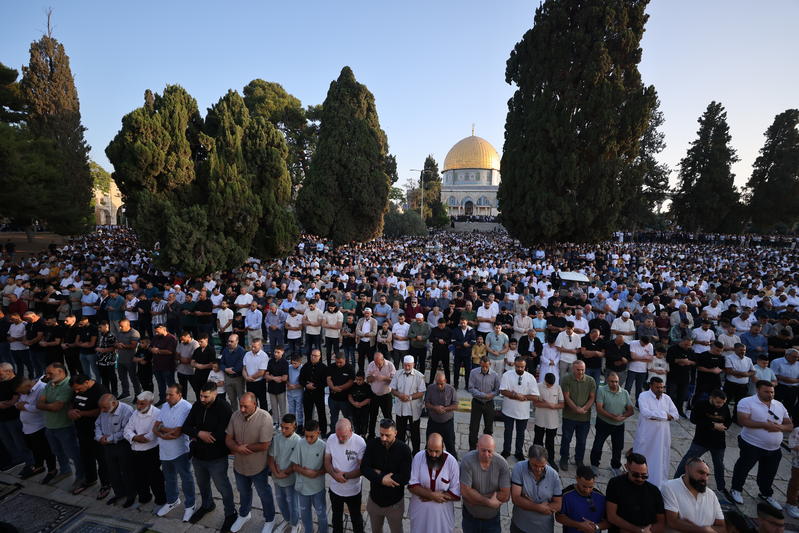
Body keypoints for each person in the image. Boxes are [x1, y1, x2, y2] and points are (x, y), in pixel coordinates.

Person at [730, 380, 793, 509]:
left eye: (772, 392)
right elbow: (743, 420)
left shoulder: (779, 405)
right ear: (758, 390)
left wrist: (779, 427)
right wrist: (764, 425)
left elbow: (790, 425)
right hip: (751, 444)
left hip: (774, 448)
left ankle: (766, 494)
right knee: (743, 467)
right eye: (766, 391)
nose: (770, 394)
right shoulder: (746, 402)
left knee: (769, 473)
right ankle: (736, 489)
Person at [181, 381, 235, 528]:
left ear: (215, 394)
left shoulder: (224, 407)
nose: (202, 399)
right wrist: (199, 433)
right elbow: (186, 427)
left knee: (223, 487)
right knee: (202, 484)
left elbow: (223, 433)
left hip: (217, 457)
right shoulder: (197, 405)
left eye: (206, 396)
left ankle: (230, 513)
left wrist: (200, 435)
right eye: (200, 396)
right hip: (198, 455)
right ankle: (207, 504)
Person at [225, 392, 276, 533]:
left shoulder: (265, 418)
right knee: (243, 492)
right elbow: (228, 438)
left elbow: (265, 445)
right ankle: (244, 514)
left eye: (245, 406)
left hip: (258, 467)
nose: (242, 409)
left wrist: (243, 447)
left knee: (264, 494)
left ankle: (270, 519)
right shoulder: (235, 415)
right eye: (240, 406)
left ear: (254, 404)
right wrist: (236, 447)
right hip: (240, 466)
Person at [673, 389, 732, 494]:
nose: (720, 405)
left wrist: (724, 426)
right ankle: (675, 481)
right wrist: (713, 425)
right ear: (711, 398)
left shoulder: (724, 406)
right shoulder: (701, 404)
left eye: (723, 403)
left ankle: (721, 488)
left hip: (718, 442)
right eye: (718, 402)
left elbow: (728, 420)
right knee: (688, 460)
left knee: (719, 465)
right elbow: (694, 419)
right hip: (701, 440)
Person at [362, 418, 413, 533]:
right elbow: (364, 468)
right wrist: (381, 479)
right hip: (374, 501)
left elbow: (405, 477)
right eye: (381, 434)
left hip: (394, 505)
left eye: (387, 435)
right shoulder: (373, 445)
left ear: (395, 433)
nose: (383, 438)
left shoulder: (404, 450)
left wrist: (381, 474)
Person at [153, 384, 195, 521]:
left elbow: (177, 432)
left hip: (180, 450)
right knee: (169, 477)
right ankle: (172, 500)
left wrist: (162, 430)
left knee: (186, 478)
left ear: (180, 395)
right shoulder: (165, 406)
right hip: (164, 449)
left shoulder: (187, 407)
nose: (167, 397)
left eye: (171, 395)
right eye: (166, 394)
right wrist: (165, 432)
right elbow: (155, 427)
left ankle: (190, 505)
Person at [408, 433, 461, 533]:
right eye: (430, 450)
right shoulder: (419, 457)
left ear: (443, 447)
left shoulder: (452, 462)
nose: (433, 455)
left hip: (442, 516)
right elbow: (412, 486)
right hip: (420, 514)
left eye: (437, 451)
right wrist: (432, 495)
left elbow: (456, 494)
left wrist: (431, 496)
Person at [632, 376, 678, 488]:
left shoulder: (666, 398)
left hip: (662, 437)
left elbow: (675, 415)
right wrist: (665, 415)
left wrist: (656, 415)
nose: (660, 390)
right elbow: (646, 412)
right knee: (643, 457)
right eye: (658, 387)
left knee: (660, 460)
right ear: (651, 386)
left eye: (662, 387)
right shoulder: (643, 396)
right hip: (647, 435)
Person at [122, 391, 166, 509]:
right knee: (139, 476)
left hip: (151, 450)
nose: (139, 406)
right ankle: (144, 497)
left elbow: (151, 435)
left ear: (150, 402)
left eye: (142, 404)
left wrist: (139, 437)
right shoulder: (135, 413)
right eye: (138, 403)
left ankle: (161, 499)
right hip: (136, 450)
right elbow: (127, 430)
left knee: (154, 476)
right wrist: (135, 437)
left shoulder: (158, 414)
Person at [459, 434, 511, 533]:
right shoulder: (467, 461)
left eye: (489, 451)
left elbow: (505, 496)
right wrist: (490, 502)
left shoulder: (502, 464)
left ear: (494, 449)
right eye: (483, 450)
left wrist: (475, 497)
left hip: (492, 520)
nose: (486, 454)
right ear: (477, 447)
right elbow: (465, 492)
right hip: (470, 518)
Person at [69, 373, 110, 496]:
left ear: (87, 382)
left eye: (79, 388)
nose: (77, 391)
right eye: (75, 389)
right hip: (82, 429)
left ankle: (106, 484)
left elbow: (101, 410)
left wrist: (82, 414)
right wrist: (71, 410)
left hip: (97, 430)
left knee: (102, 459)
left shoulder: (100, 390)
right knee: (86, 456)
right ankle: (90, 479)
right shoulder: (76, 389)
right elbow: (72, 402)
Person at [661, 457, 725, 532]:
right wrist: (703, 530)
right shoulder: (669, 487)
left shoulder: (711, 495)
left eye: (707, 475)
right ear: (687, 469)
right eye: (701, 473)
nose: (705, 478)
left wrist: (699, 529)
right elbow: (672, 522)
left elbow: (722, 527)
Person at [606, 453, 666, 533]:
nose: (640, 479)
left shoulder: (653, 491)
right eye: (636, 475)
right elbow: (611, 516)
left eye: (644, 476)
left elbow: (661, 522)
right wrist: (639, 531)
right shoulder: (615, 484)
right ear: (626, 467)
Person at [325, 418, 366, 533]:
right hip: (335, 489)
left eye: (343, 436)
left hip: (353, 490)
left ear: (351, 431)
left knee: (356, 519)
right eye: (338, 435)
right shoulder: (331, 439)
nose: (340, 439)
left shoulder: (360, 442)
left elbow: (362, 469)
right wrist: (334, 475)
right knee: (336, 519)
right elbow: (327, 461)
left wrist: (345, 476)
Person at [510, 444, 563, 533]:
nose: (538, 469)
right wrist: (540, 508)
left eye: (542, 466)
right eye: (534, 465)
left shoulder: (553, 475)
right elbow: (516, 499)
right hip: (520, 525)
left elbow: (558, 504)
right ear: (528, 458)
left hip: (543, 528)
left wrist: (527, 503)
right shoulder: (519, 468)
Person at [94, 393, 135, 506]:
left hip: (122, 445)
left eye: (105, 408)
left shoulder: (127, 410)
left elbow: (126, 430)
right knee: (112, 471)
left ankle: (131, 495)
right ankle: (119, 493)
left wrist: (110, 439)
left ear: (113, 403)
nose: (102, 410)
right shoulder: (104, 410)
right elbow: (97, 424)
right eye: (101, 408)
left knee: (126, 471)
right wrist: (99, 437)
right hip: (107, 445)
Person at [590, 371, 633, 476]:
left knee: (618, 447)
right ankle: (594, 465)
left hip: (619, 425)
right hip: (604, 423)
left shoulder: (625, 393)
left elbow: (631, 410)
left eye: (616, 381)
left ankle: (615, 466)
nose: (614, 384)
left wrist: (622, 417)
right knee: (598, 445)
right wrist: (614, 417)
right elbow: (599, 409)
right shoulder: (601, 390)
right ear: (607, 381)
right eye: (612, 381)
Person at [13, 375, 56, 480]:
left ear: (27, 385)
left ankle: (52, 470)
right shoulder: (26, 390)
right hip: (27, 427)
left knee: (46, 450)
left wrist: (25, 406)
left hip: (39, 426)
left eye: (21, 391)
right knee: (34, 449)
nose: (21, 394)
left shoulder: (42, 389)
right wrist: (18, 405)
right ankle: (39, 466)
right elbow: (19, 403)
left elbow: (42, 407)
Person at [291, 419, 328, 533]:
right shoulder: (300, 443)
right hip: (303, 488)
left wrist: (316, 473)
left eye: (311, 436)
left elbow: (327, 468)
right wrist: (305, 472)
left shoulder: (323, 446)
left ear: (318, 432)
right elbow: (294, 465)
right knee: (305, 514)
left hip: (318, 488)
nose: (308, 439)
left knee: (321, 513)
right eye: (306, 436)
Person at [499, 356, 539, 460]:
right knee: (508, 431)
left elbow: (535, 396)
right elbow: (503, 391)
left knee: (521, 433)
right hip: (509, 409)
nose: (520, 369)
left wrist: (524, 397)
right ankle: (506, 450)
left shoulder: (530, 378)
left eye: (522, 367)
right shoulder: (507, 375)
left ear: (525, 366)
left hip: (523, 412)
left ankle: (518, 452)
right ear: (514, 365)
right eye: (518, 367)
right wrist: (516, 396)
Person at [559, 360, 595, 471]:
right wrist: (576, 409)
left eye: (582, 370)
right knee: (566, 439)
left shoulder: (590, 381)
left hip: (584, 417)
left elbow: (592, 397)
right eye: (578, 370)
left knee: (582, 441)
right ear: (573, 369)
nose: (580, 372)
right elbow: (566, 397)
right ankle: (564, 459)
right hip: (569, 416)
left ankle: (579, 460)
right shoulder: (566, 379)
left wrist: (583, 409)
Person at [270, 413, 301, 533]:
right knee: (280, 501)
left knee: (293, 503)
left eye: (287, 428)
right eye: (282, 427)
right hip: (277, 478)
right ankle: (287, 519)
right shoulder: (277, 438)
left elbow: (296, 463)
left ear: (294, 427)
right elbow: (271, 457)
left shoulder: (298, 441)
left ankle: (295, 523)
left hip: (290, 479)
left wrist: (284, 473)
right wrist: (275, 472)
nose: (283, 430)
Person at [390, 354, 426, 454]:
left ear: (413, 364)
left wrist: (409, 397)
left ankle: (416, 452)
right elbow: (393, 390)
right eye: (405, 365)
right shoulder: (397, 374)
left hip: (413, 410)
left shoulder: (419, 376)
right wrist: (399, 395)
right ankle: (400, 452)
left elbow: (422, 392)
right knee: (400, 432)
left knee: (415, 433)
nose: (407, 367)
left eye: (409, 365)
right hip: (400, 409)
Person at [557, 465, 609, 533]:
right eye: (584, 486)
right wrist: (579, 525)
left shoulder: (601, 497)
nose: (587, 490)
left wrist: (595, 527)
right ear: (577, 479)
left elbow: (608, 522)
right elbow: (559, 517)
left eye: (590, 487)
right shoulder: (565, 495)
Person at [468, 356, 500, 450]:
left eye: (486, 366)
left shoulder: (495, 375)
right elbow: (471, 388)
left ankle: (487, 447)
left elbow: (497, 390)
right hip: (477, 402)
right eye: (483, 366)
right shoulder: (473, 373)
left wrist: (491, 395)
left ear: (489, 364)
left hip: (489, 403)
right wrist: (482, 395)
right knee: (474, 427)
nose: (485, 368)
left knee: (489, 427)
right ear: (480, 364)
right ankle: (472, 448)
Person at [424, 371, 458, 458]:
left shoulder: (451, 390)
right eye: (437, 384)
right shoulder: (431, 388)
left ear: (445, 381)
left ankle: (453, 464)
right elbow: (427, 403)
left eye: (441, 384)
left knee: (450, 445)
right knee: (429, 444)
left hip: (447, 423)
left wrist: (445, 409)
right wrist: (435, 408)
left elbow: (455, 405)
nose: (439, 386)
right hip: (433, 422)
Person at [533, 371, 563, 466]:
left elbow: (562, 404)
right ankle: (535, 458)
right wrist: (547, 404)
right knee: (538, 440)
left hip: (552, 421)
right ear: (545, 381)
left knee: (550, 442)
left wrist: (553, 406)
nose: (550, 386)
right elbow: (535, 403)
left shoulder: (558, 387)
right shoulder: (538, 386)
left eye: (551, 385)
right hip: (540, 419)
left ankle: (550, 459)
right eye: (548, 384)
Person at [366, 351, 395, 439]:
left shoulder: (390, 365)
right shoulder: (371, 364)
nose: (377, 365)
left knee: (388, 416)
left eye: (378, 363)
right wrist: (373, 377)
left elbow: (395, 381)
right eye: (375, 363)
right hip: (374, 395)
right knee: (372, 416)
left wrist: (384, 378)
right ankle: (371, 435)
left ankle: (391, 435)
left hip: (386, 395)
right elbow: (367, 379)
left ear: (383, 360)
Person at [299, 348, 328, 436]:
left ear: (319, 357)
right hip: (308, 393)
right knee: (307, 413)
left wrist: (314, 385)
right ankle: (307, 430)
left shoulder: (323, 367)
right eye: (312, 355)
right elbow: (301, 379)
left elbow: (325, 382)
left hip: (318, 393)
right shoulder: (306, 366)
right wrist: (306, 385)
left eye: (315, 356)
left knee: (321, 413)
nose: (313, 357)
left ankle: (323, 431)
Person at [326, 351, 354, 430]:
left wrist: (339, 388)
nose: (338, 364)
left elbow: (351, 381)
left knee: (348, 417)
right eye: (337, 362)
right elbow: (328, 379)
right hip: (332, 398)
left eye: (340, 362)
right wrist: (333, 387)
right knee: (333, 417)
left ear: (345, 360)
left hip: (345, 400)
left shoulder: (350, 368)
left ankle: (349, 432)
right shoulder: (331, 366)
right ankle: (332, 432)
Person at [114, 319, 141, 399]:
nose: (120, 328)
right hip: (120, 359)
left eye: (121, 326)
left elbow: (133, 346)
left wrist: (123, 346)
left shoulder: (134, 333)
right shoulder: (120, 332)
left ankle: (138, 394)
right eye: (119, 326)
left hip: (130, 360)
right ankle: (125, 393)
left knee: (134, 378)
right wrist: (116, 345)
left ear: (128, 325)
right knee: (122, 378)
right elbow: (116, 342)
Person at [219, 334, 246, 411]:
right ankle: (234, 414)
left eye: (232, 341)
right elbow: (221, 363)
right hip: (228, 378)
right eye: (228, 341)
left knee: (241, 398)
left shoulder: (241, 351)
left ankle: (242, 413)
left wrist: (233, 370)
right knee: (231, 398)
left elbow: (241, 365)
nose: (229, 343)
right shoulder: (225, 350)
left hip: (238, 378)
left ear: (237, 341)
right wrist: (226, 369)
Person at [243, 339, 269, 409]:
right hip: (249, 383)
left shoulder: (264, 356)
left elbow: (261, 372)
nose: (253, 348)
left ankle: (264, 418)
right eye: (252, 346)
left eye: (255, 347)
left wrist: (250, 378)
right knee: (252, 402)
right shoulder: (247, 354)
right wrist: (246, 377)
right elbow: (244, 368)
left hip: (259, 383)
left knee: (262, 402)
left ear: (260, 346)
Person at [265, 346, 289, 423]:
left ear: (282, 352)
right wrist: (275, 378)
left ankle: (283, 422)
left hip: (281, 389)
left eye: (278, 352)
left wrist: (271, 377)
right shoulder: (270, 361)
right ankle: (275, 422)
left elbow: (285, 378)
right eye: (275, 352)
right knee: (273, 407)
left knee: (282, 408)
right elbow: (266, 376)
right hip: (271, 388)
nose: (275, 354)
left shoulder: (285, 362)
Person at [452, 317, 477, 390]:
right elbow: (453, 341)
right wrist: (463, 344)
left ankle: (467, 386)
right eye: (461, 323)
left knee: (468, 371)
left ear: (467, 322)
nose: (463, 324)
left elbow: (473, 341)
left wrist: (467, 345)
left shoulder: (471, 330)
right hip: (458, 353)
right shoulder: (456, 330)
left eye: (464, 323)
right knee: (456, 370)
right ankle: (455, 385)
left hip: (467, 354)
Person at [286, 353, 304, 431]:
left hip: (298, 392)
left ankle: (300, 424)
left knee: (299, 409)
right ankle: (292, 423)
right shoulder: (289, 368)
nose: (293, 365)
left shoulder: (302, 369)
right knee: (291, 409)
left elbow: (303, 382)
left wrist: (295, 386)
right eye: (292, 363)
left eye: (295, 363)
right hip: (290, 392)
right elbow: (286, 377)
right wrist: (287, 383)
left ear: (300, 362)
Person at [784, 425, 799, 518]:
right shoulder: (797, 430)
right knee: (795, 484)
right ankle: (791, 503)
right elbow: (792, 445)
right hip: (797, 463)